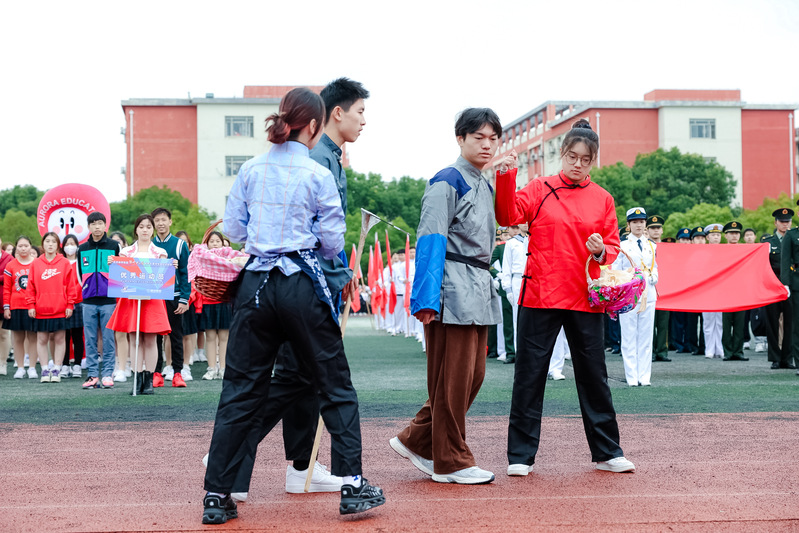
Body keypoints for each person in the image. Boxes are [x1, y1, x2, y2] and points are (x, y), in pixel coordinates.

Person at [202, 87, 384, 524]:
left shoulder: (249, 168)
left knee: (241, 389)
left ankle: (216, 494)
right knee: (334, 383)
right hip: (301, 282)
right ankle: (353, 485)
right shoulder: (318, 173)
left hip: (257, 286)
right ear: (317, 124)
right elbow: (332, 241)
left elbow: (235, 229)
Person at [495, 118, 635, 476]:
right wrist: (505, 177)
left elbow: (614, 249)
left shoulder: (603, 199)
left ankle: (607, 452)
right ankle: (520, 456)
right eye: (572, 156)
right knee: (529, 376)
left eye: (585, 159)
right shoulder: (539, 187)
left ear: (593, 161)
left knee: (593, 375)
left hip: (585, 298)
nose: (577, 164)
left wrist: (601, 250)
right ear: (562, 155)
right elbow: (508, 214)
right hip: (540, 294)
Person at [390, 108, 503, 485]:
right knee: (453, 378)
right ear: (460, 139)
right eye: (478, 137)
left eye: (493, 138)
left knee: (471, 376)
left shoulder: (483, 183)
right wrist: (425, 298)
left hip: (477, 284)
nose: (487, 145)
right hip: (452, 287)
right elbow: (430, 237)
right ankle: (451, 460)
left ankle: (418, 439)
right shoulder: (447, 181)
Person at [107, 214, 172, 395]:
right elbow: (119, 275)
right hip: (132, 300)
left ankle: (149, 380)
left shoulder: (160, 252)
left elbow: (164, 277)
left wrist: (169, 265)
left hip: (152, 300)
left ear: (152, 230)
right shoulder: (126, 253)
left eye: (148, 227)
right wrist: (113, 263)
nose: (145, 230)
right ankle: (137, 379)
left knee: (151, 339)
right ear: (136, 229)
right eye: (141, 226)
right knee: (134, 339)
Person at [26, 232, 80, 383]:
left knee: (60, 338)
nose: (50, 244)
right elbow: (30, 286)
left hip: (60, 308)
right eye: (47, 241)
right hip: (41, 308)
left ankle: (56, 368)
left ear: (58, 245)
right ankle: (44, 369)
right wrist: (31, 304)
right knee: (42, 338)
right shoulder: (36, 263)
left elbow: (71, 287)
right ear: (42, 244)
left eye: (53, 242)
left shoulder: (64, 263)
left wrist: (70, 304)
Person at [614, 208, 658, 386]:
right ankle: (632, 377)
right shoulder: (622, 246)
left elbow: (654, 267)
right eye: (635, 222)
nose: (639, 225)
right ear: (629, 224)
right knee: (629, 336)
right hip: (629, 296)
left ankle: (644, 377)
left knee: (646, 337)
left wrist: (654, 277)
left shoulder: (651, 245)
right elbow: (616, 270)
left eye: (641, 221)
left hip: (649, 294)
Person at [78, 212, 121, 389]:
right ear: (89, 227)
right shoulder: (83, 248)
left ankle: (108, 374)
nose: (97, 227)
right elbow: (80, 273)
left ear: (105, 226)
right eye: (93, 224)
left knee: (109, 338)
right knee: (90, 339)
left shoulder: (114, 246)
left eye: (100, 223)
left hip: (109, 300)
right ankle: (92, 375)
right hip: (88, 300)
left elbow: (121, 269)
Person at [151, 207, 191, 387]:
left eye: (163, 220)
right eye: (157, 220)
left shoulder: (179, 245)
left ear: (170, 222)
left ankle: (177, 373)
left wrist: (184, 298)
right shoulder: (148, 245)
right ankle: (156, 373)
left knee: (176, 335)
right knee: (155, 337)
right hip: (154, 297)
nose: (160, 223)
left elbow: (186, 273)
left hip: (174, 296)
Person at [196, 231, 232, 381]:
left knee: (224, 337)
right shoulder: (203, 259)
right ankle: (211, 368)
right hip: (208, 302)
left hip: (224, 302)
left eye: (218, 241)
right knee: (210, 337)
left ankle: (223, 368)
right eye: (212, 241)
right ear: (207, 243)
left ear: (223, 243)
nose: (215, 244)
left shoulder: (228, 259)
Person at [763, 208, 795, 369]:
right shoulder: (767, 243)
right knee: (772, 323)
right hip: (772, 287)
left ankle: (787, 358)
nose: (785, 225)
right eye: (782, 222)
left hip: (790, 287)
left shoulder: (794, 240)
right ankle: (775, 358)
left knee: (790, 323)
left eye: (787, 222)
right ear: (775, 223)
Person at [3, 236, 39, 379]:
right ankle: (20, 367)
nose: (23, 248)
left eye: (26, 246)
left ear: (31, 247)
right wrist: (7, 307)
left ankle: (31, 367)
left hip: (33, 307)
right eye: (20, 246)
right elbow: (7, 288)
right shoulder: (10, 265)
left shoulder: (37, 264)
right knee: (17, 338)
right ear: (16, 248)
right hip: (15, 306)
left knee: (32, 337)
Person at [500, 224, 529, 364]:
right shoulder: (511, 243)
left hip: (533, 279)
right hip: (517, 279)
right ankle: (520, 354)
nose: (525, 224)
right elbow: (506, 266)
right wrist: (508, 288)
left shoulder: (534, 239)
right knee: (518, 319)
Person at [721, 221, 748, 361]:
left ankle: (738, 351)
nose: (734, 235)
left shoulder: (745, 250)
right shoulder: (720, 251)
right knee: (726, 324)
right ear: (726, 235)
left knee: (739, 324)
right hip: (725, 291)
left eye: (737, 233)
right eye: (731, 233)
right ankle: (728, 351)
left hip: (740, 291)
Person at [488, 227, 515, 362]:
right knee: (508, 322)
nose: (506, 236)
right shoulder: (500, 248)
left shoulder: (523, 243)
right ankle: (510, 351)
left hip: (522, 284)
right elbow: (488, 263)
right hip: (506, 287)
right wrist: (497, 274)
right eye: (503, 235)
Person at [646, 215, 671, 362]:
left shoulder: (669, 248)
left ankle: (662, 351)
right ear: (647, 231)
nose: (656, 231)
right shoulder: (644, 246)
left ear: (662, 231)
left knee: (663, 324)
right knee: (648, 323)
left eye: (658, 228)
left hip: (666, 290)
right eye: (652, 228)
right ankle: (650, 351)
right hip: (649, 289)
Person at [108, 231, 132, 381]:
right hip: (114, 299)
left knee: (131, 333)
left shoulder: (130, 257)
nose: (117, 244)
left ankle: (129, 363)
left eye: (120, 241)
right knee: (118, 333)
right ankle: (119, 364)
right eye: (114, 241)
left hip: (128, 297)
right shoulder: (110, 260)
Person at [61, 234, 86, 378]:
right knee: (64, 336)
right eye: (67, 243)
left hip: (79, 301)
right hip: (62, 303)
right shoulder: (61, 262)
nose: (70, 246)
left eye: (73, 243)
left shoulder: (81, 262)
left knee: (77, 335)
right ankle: (65, 364)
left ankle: (77, 364)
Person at [780, 202, 799, 373]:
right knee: (797, 325)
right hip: (797, 283)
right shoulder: (792, 235)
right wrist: (785, 283)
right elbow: (785, 261)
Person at [702, 223, 725, 359]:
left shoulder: (725, 252)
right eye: (713, 235)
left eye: (718, 235)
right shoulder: (703, 252)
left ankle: (719, 347)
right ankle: (709, 349)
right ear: (708, 237)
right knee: (708, 321)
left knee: (720, 321)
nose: (716, 238)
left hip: (721, 289)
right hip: (707, 290)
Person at [0, 237, 13, 375]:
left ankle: (2, 363)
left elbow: (9, 276)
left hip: (4, 300)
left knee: (4, 334)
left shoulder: (8, 258)